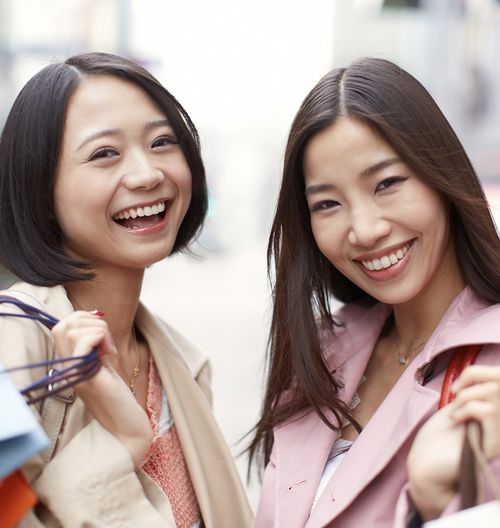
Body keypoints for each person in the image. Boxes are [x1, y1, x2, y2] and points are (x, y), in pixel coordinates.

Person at [0, 52, 252, 527]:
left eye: (162, 142)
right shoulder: (15, 344)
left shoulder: (181, 363)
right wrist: (118, 445)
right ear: (41, 187)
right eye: (104, 153)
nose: (147, 174)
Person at [249, 57, 500, 527]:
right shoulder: (320, 355)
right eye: (328, 204)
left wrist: (426, 505)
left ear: (441, 177)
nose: (364, 230)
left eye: (387, 183)